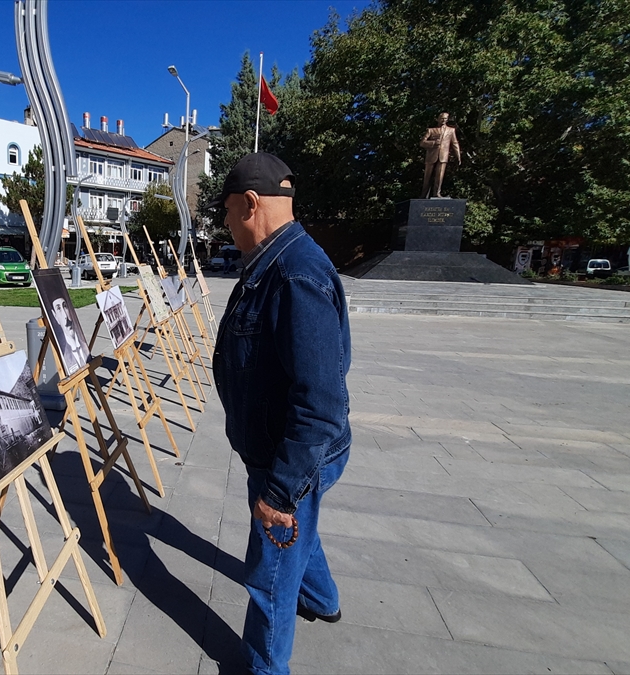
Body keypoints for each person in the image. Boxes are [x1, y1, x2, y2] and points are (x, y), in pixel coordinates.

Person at [210, 153, 352, 675]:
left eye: (226, 212)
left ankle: (265, 668)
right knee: (299, 535)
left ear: (250, 204)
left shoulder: (294, 273)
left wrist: (279, 492)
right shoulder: (273, 261)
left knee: (269, 573)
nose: (225, 223)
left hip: (285, 458)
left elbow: (320, 402)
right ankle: (321, 599)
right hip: (274, 448)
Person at [419, 112, 461, 199]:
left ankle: (437, 193)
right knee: (427, 176)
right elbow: (422, 143)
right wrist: (433, 143)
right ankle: (424, 194)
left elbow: (455, 143)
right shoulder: (431, 130)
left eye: (445, 119)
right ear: (438, 119)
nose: (443, 120)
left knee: (440, 176)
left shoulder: (451, 130)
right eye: (442, 118)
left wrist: (458, 156)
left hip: (443, 156)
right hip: (431, 156)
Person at [49, 296, 89, 371]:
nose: (65, 315)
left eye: (65, 306)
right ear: (55, 317)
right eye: (59, 309)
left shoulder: (84, 346)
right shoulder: (65, 354)